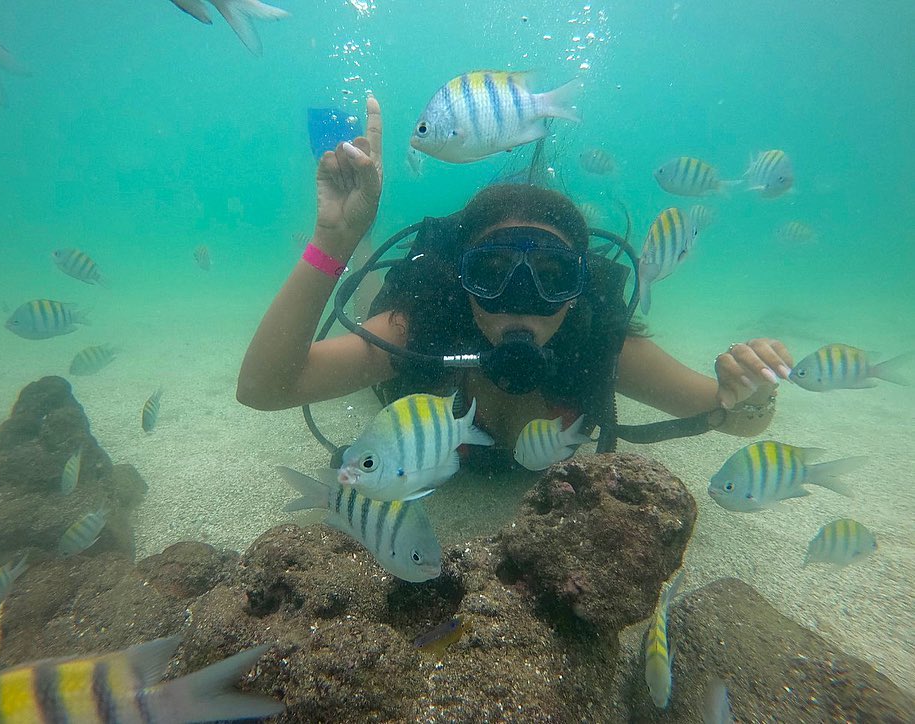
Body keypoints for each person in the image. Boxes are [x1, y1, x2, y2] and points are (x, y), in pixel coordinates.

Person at [237, 97, 793, 468]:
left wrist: (756, 392)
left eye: (552, 277)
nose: (520, 303)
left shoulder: (597, 340)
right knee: (366, 299)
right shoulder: (421, 328)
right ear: (462, 277)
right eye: (493, 273)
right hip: (401, 317)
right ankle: (360, 237)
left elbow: (727, 413)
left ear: (580, 288)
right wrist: (332, 242)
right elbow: (264, 390)